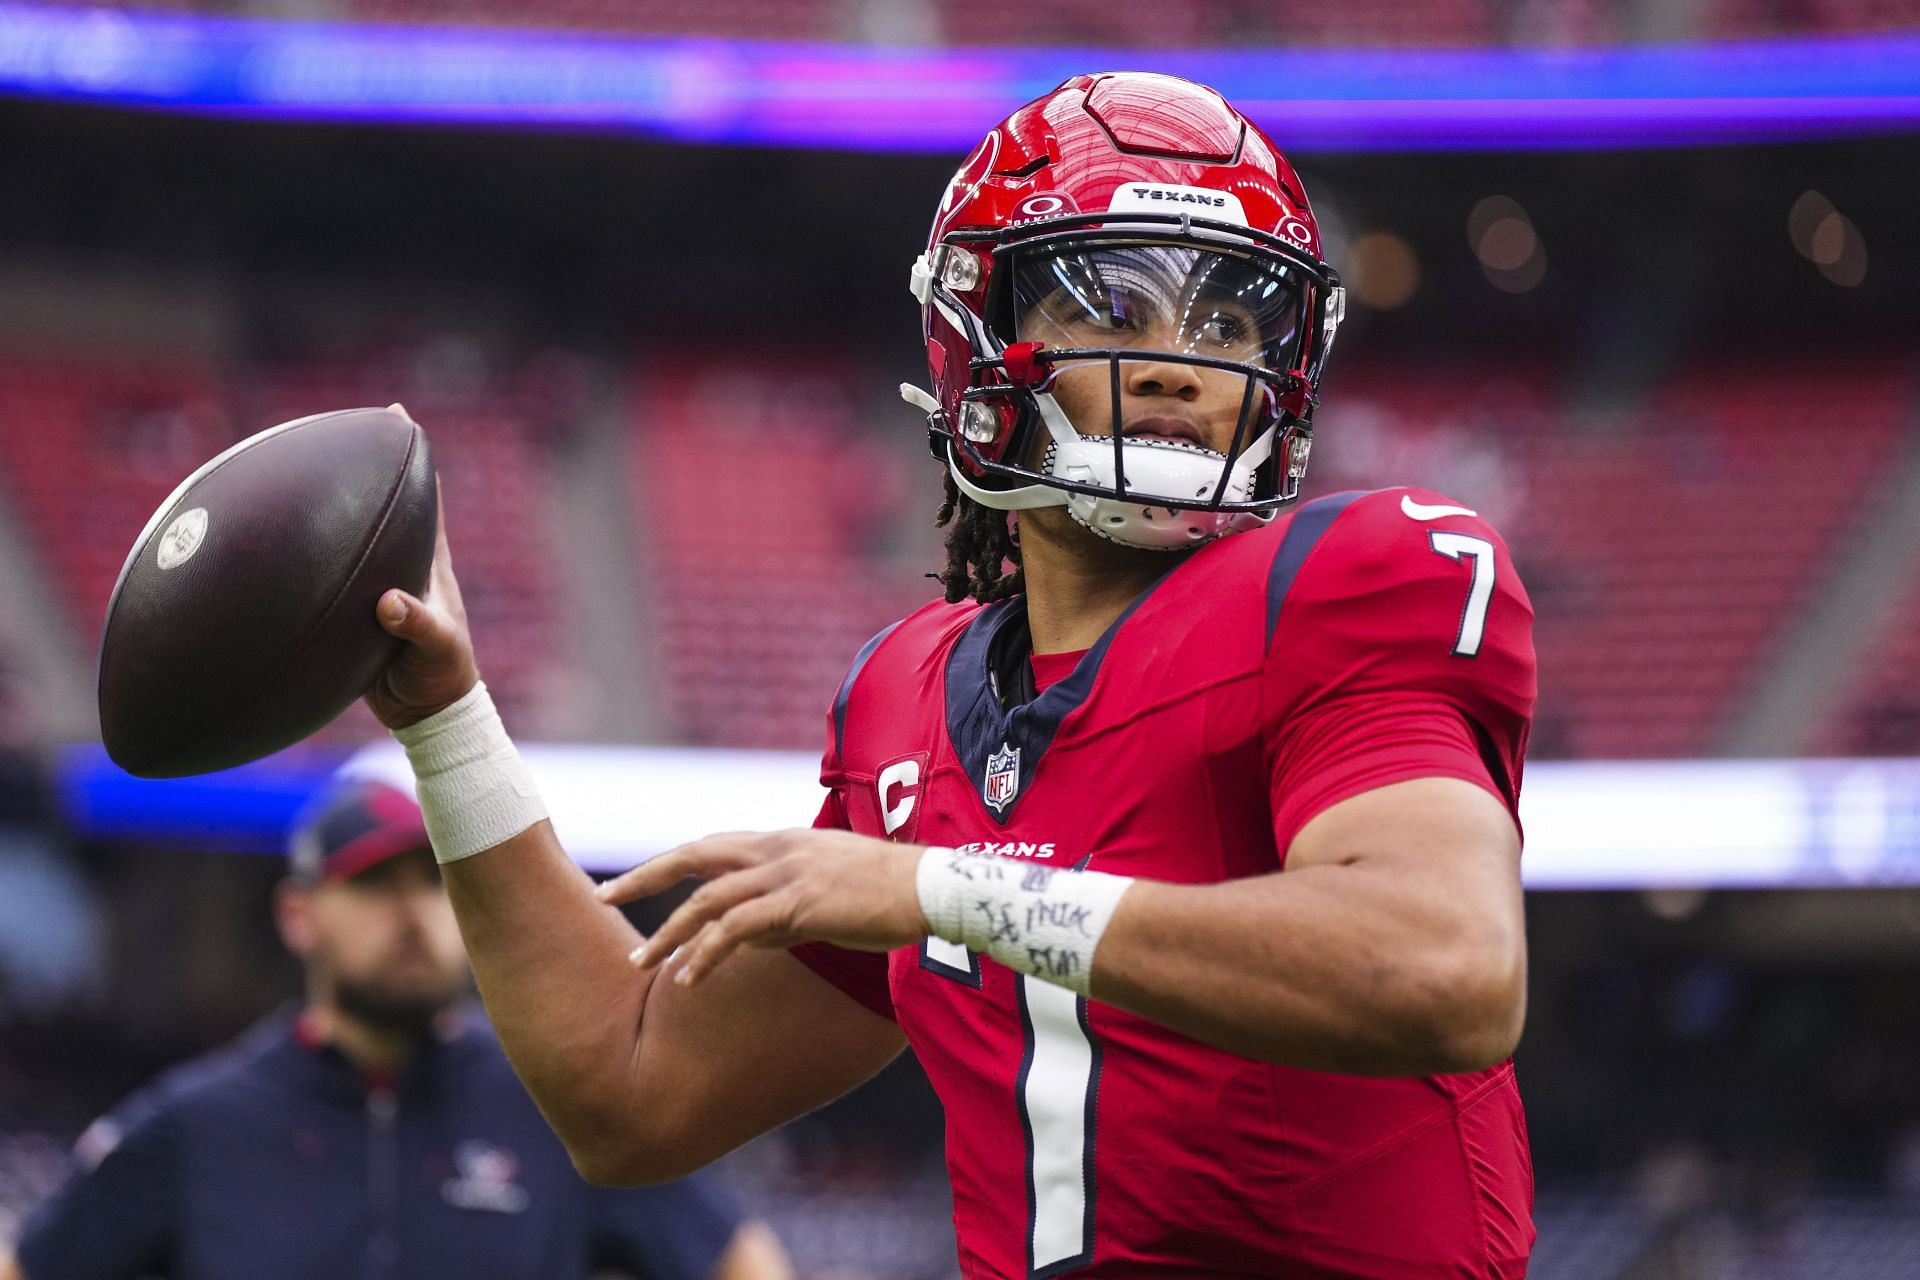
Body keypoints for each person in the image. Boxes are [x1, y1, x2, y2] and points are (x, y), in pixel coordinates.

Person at [361, 71, 1538, 1278]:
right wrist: (448, 722)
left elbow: (1442, 966)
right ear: (979, 341)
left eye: (1229, 323)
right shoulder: (911, 698)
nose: (1185, 364)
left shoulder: (1356, 577)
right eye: (1118, 310)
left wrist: (948, 893)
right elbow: (631, 1087)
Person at [1, 779, 791, 1280]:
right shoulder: (200, 1124)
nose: (413, 915)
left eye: (434, 884)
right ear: (298, 915)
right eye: (374, 883)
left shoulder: (558, 1103)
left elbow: (742, 1262)